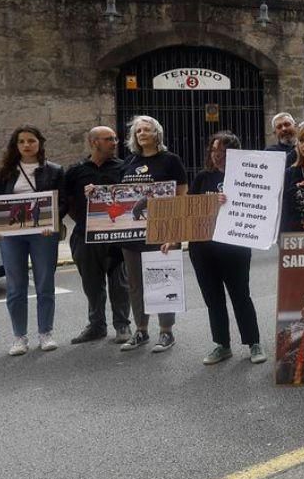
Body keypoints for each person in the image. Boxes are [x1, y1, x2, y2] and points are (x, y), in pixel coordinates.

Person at [103, 115, 189, 353]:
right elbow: (120, 195)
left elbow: (181, 195)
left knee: (162, 280)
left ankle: (166, 332)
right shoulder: (129, 162)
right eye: (138, 130)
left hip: (161, 232)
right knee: (135, 285)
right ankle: (141, 330)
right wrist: (94, 192)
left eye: (147, 130)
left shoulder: (170, 160)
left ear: (157, 134)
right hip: (132, 235)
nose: (142, 133)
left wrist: (175, 232)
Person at [188, 131, 267, 365]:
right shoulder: (203, 178)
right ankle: (222, 345)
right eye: (214, 150)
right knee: (213, 299)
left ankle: (253, 343)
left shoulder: (247, 176)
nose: (217, 156)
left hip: (235, 247)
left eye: (222, 151)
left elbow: (257, 203)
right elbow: (191, 209)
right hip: (203, 248)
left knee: (241, 295)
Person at [0, 126, 64, 355]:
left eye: (31, 140)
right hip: (12, 236)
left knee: (44, 283)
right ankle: (19, 337)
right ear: (16, 145)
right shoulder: (5, 172)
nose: (26, 145)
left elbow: (63, 201)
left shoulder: (54, 170)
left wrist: (51, 222)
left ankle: (45, 333)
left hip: (43, 235)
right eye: (21, 141)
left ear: (39, 143)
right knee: (15, 287)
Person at [62, 126, 132, 345]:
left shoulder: (124, 167)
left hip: (118, 235)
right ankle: (96, 325)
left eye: (115, 138)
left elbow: (133, 196)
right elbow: (68, 202)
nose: (115, 142)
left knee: (120, 283)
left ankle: (122, 325)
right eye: (109, 139)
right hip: (85, 236)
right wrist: (85, 222)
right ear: (94, 142)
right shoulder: (75, 171)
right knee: (92, 283)